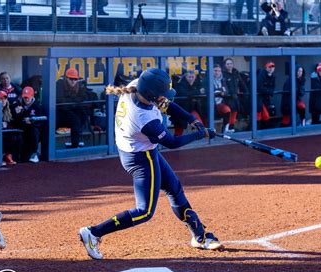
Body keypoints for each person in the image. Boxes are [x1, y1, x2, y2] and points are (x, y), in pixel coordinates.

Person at [78, 68, 221, 260]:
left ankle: (199, 237)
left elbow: (166, 104)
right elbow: (172, 142)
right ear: (151, 94)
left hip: (139, 150)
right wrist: (200, 135)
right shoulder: (144, 119)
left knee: (174, 188)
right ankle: (93, 232)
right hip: (140, 158)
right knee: (144, 212)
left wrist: (191, 119)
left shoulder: (138, 86)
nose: (164, 98)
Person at [56, 67, 89, 148]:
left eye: (75, 79)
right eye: (71, 79)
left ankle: (78, 139)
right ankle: (75, 145)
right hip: (60, 112)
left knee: (83, 114)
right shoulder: (59, 84)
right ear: (66, 78)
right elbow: (61, 102)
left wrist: (72, 101)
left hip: (72, 109)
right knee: (75, 120)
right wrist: (74, 101)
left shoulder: (79, 85)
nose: (73, 81)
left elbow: (84, 97)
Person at [12, 86, 45, 163]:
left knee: (34, 131)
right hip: (22, 128)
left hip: (33, 129)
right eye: (24, 97)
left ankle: (34, 153)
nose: (26, 99)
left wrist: (32, 122)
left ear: (32, 96)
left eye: (28, 97)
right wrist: (17, 114)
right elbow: (14, 121)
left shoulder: (38, 107)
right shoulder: (18, 105)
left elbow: (41, 122)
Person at [174, 71, 206, 135]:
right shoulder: (180, 84)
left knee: (200, 124)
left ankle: (198, 136)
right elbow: (186, 94)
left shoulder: (197, 84)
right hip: (181, 108)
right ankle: (176, 139)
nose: (191, 78)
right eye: (189, 77)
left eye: (192, 77)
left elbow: (202, 91)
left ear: (195, 77)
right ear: (186, 77)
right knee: (179, 128)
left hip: (193, 108)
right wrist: (197, 92)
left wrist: (196, 93)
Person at [211, 64, 237, 133]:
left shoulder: (223, 80)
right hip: (210, 103)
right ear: (212, 71)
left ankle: (225, 129)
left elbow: (226, 91)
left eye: (219, 71)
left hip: (221, 103)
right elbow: (209, 91)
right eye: (215, 70)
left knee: (230, 108)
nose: (217, 72)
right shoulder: (208, 79)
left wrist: (222, 92)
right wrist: (219, 92)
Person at [0, 90, 22, 165]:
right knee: (10, 137)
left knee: (17, 136)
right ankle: (2, 157)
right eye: (0, 98)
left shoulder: (9, 109)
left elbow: (14, 121)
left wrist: (18, 114)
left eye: (4, 98)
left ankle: (10, 156)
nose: (3, 100)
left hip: (7, 131)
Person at [222, 58, 248, 126]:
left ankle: (231, 127)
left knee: (235, 111)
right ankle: (226, 128)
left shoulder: (236, 72)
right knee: (229, 113)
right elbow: (224, 86)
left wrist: (247, 92)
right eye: (227, 64)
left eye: (231, 64)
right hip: (227, 98)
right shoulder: (223, 74)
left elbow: (241, 83)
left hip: (235, 97)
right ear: (225, 65)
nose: (229, 65)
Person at [257, 61, 276, 129]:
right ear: (266, 68)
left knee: (266, 116)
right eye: (270, 67)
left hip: (265, 98)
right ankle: (256, 131)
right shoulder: (261, 74)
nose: (271, 68)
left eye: (273, 67)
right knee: (260, 115)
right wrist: (268, 91)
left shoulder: (273, 76)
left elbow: (272, 88)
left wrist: (269, 91)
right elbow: (260, 88)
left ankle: (262, 131)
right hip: (258, 97)